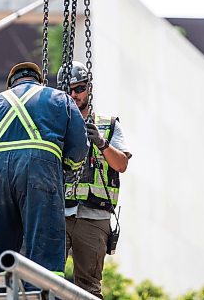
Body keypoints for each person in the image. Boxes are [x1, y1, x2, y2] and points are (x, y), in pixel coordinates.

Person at [0, 62, 89, 279]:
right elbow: (79, 145)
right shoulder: (59, 99)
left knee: (4, 242)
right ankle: (43, 291)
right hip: (39, 170)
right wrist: (68, 167)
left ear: (10, 85)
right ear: (40, 81)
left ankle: (2, 290)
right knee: (44, 238)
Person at [58, 61, 132, 299]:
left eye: (79, 89)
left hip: (94, 216)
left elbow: (121, 164)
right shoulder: (55, 125)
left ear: (88, 88)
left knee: (88, 289)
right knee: (44, 279)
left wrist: (101, 143)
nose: (74, 95)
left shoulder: (108, 125)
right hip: (60, 213)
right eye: (68, 90)